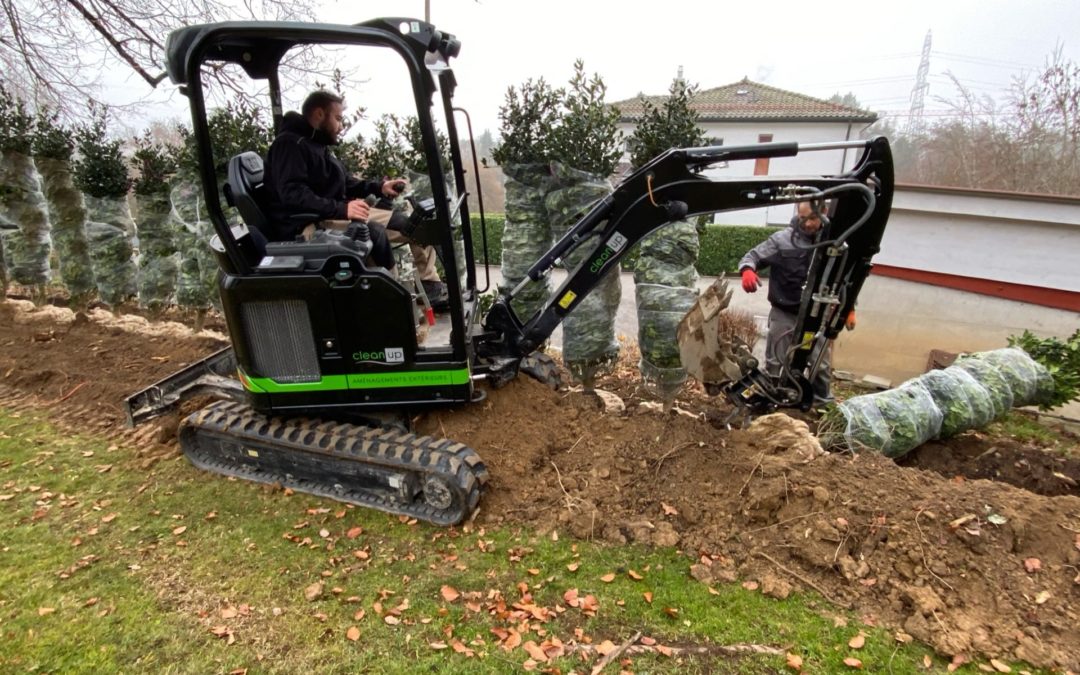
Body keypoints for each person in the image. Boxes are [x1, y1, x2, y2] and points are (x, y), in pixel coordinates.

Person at [263, 90, 448, 304]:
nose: (341, 125)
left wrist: (379, 187)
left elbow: (345, 182)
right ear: (319, 114)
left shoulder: (316, 144)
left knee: (416, 224)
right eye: (338, 118)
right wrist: (342, 210)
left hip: (332, 213)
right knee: (372, 232)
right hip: (309, 224)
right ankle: (394, 300)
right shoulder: (290, 145)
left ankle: (430, 286)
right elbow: (292, 194)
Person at [737, 201, 855, 405]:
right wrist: (747, 269)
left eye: (812, 218)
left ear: (824, 213)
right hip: (784, 311)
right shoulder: (782, 240)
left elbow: (844, 279)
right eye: (803, 218)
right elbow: (753, 256)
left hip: (817, 314)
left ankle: (821, 404)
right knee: (775, 360)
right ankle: (771, 399)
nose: (808, 223)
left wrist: (850, 308)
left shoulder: (834, 245)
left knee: (821, 363)